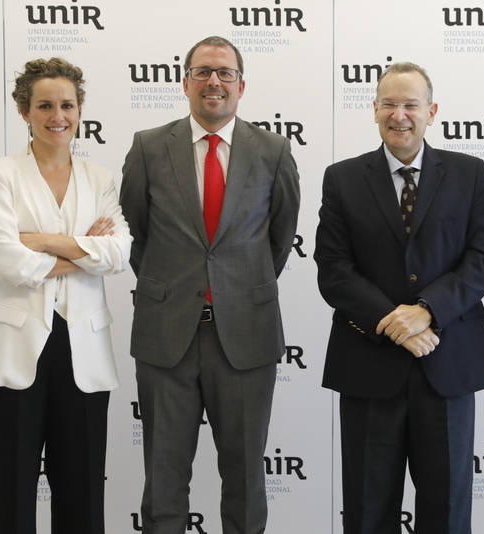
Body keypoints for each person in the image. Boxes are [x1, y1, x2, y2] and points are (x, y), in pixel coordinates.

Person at [119, 36, 300, 534]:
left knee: (244, 477)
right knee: (164, 474)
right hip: (166, 335)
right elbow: (134, 231)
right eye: (202, 72)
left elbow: (280, 237)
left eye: (224, 73)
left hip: (245, 335)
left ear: (242, 85)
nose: (213, 82)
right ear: (184, 82)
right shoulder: (149, 147)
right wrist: (175, 287)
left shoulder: (273, 151)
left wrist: (236, 287)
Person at [315, 62, 484, 534]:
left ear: (431, 111)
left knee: (448, 512)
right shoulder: (342, 178)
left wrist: (426, 313)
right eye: (389, 104)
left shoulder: (469, 173)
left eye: (411, 105)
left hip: (448, 364)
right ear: (374, 110)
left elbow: (482, 261)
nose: (400, 115)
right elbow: (334, 271)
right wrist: (392, 321)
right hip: (369, 367)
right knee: (367, 509)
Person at [0, 57, 131, 533]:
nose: (56, 115)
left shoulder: (99, 178)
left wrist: (39, 240)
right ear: (25, 111)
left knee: (82, 497)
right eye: (44, 105)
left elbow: (117, 253)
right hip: (13, 354)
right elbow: (4, 257)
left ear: (80, 110)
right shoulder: (1, 173)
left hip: (83, 352)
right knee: (12, 496)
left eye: (67, 104)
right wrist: (83, 249)